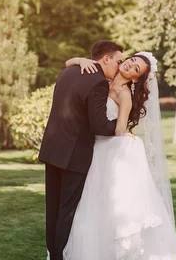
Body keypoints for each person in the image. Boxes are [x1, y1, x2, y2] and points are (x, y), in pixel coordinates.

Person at [63, 51, 176, 259]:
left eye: (136, 69)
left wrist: (128, 137)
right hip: (89, 148)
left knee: (103, 205)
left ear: (136, 78)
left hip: (104, 153)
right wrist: (81, 60)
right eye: (131, 61)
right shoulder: (103, 77)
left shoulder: (124, 95)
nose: (130, 66)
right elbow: (68, 62)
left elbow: (119, 129)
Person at [38, 40, 125, 260]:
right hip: (73, 156)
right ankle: (58, 257)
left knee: (53, 211)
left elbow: (70, 65)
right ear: (106, 58)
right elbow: (100, 126)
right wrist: (122, 127)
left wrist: (77, 59)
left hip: (52, 149)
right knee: (66, 213)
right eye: (118, 61)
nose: (119, 66)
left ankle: (52, 255)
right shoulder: (98, 82)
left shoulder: (70, 71)